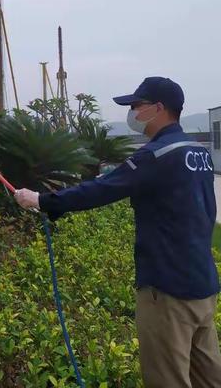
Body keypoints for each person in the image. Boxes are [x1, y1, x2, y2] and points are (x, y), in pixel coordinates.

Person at [15, 76, 221, 388]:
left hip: (166, 292)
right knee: (209, 378)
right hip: (203, 285)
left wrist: (42, 200)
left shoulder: (155, 156)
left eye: (137, 106)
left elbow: (102, 190)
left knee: (168, 380)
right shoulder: (198, 153)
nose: (133, 113)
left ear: (159, 108)